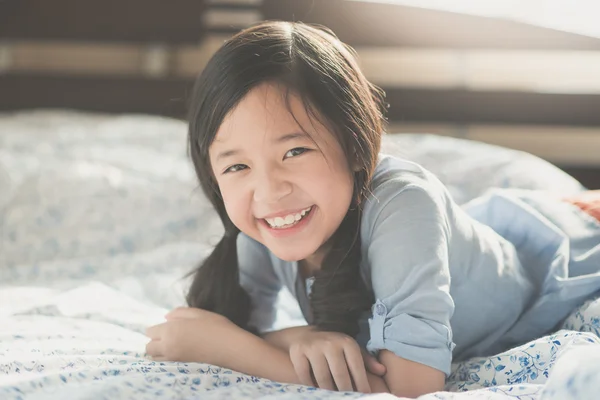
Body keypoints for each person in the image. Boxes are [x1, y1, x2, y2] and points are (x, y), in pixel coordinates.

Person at [145, 21, 600, 398]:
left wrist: (239, 352)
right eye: (237, 165)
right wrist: (298, 338)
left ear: (355, 144)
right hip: (481, 242)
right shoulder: (262, 230)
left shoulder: (402, 208)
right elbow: (222, 327)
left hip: (564, 250)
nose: (268, 191)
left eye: (295, 151)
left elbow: (409, 387)